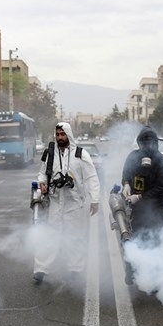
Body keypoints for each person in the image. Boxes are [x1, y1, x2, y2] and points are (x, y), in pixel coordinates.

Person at [33, 122, 100, 285]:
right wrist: (42, 183)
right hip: (55, 202)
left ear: (68, 135)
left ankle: (75, 269)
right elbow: (42, 174)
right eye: (57, 135)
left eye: (62, 135)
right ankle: (41, 269)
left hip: (74, 203)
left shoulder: (80, 154)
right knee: (50, 236)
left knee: (75, 236)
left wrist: (95, 199)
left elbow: (91, 177)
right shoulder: (50, 154)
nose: (60, 138)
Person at [121, 126, 163, 285]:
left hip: (156, 211)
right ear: (138, 143)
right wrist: (125, 184)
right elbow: (126, 174)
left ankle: (155, 279)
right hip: (136, 211)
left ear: (156, 143)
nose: (147, 146)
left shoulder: (162, 162)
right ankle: (133, 271)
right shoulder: (133, 157)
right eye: (143, 142)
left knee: (155, 243)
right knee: (133, 241)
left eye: (150, 142)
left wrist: (141, 196)